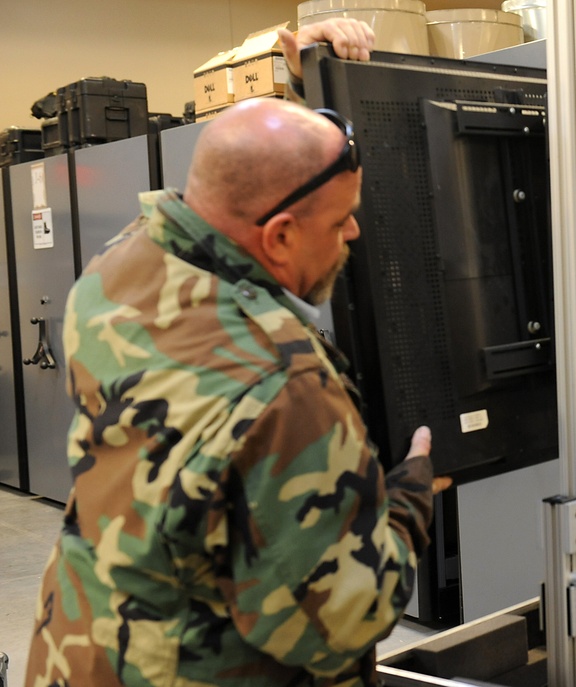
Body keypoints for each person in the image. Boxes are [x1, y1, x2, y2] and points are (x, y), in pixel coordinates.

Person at [25, 20, 450, 687]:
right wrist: (408, 498)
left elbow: (236, 178)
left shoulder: (114, 275)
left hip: (83, 650)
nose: (353, 233)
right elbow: (343, 622)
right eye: (340, 221)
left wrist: (308, 88)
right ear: (278, 237)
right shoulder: (285, 388)